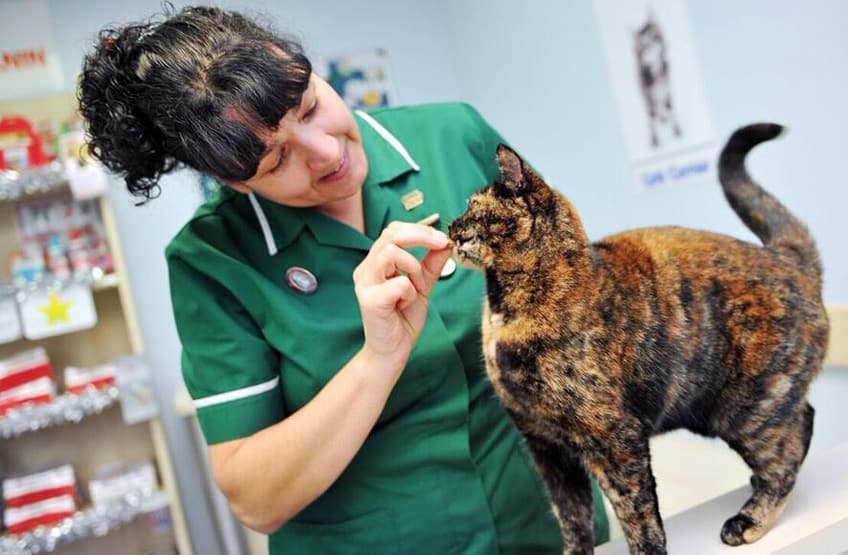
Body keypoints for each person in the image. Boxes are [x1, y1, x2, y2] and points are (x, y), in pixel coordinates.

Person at [78, 5, 609, 554]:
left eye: (309, 106)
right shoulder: (212, 260)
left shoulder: (454, 136)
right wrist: (377, 361)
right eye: (277, 160)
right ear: (230, 182)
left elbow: (576, 280)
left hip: (548, 526)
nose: (327, 152)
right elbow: (255, 499)